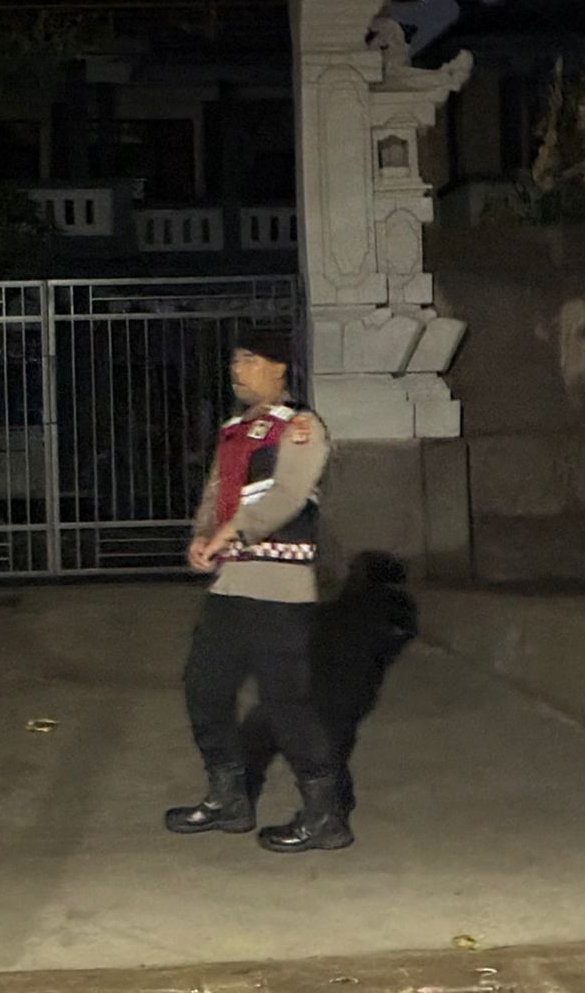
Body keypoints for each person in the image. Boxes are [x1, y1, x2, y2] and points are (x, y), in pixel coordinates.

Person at [164, 329, 351, 853]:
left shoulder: (300, 426)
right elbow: (216, 491)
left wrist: (230, 533)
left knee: (286, 704)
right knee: (204, 688)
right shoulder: (234, 430)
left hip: (280, 589)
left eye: (249, 359)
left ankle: (324, 816)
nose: (237, 369)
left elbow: (288, 495)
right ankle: (228, 798)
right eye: (235, 360)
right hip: (231, 584)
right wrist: (202, 535)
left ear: (279, 367)